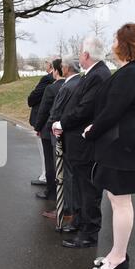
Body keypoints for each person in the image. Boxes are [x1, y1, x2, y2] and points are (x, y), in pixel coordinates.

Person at [84, 23, 135, 269]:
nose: (113, 44)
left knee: (121, 201)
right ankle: (116, 254)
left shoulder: (131, 74)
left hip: (123, 144)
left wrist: (91, 131)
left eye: (116, 40)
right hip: (124, 142)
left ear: (124, 45)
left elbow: (112, 111)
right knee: (118, 200)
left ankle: (119, 258)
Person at [54, 37, 112, 248]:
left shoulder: (99, 75)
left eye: (80, 52)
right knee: (80, 186)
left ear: (87, 55)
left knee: (88, 189)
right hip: (77, 141)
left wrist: (62, 122)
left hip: (84, 143)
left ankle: (89, 232)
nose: (79, 56)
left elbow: (84, 109)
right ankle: (80, 221)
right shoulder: (95, 73)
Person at [43, 57, 81, 222]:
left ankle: (65, 209)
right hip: (74, 135)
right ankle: (71, 207)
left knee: (64, 174)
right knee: (71, 174)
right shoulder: (80, 82)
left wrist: (51, 125)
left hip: (62, 134)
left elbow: (56, 110)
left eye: (63, 66)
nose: (61, 68)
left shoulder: (67, 86)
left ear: (67, 68)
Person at [34, 59, 66, 201]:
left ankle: (51, 191)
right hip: (65, 128)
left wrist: (38, 127)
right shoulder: (70, 85)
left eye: (52, 69)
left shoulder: (51, 88)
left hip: (49, 130)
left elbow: (44, 110)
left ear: (56, 70)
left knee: (50, 162)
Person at [28, 60, 54, 186]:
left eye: (47, 63)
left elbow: (35, 95)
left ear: (51, 65)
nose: (45, 66)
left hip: (43, 120)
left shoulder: (47, 79)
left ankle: (45, 176)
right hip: (53, 121)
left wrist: (30, 100)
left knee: (44, 151)